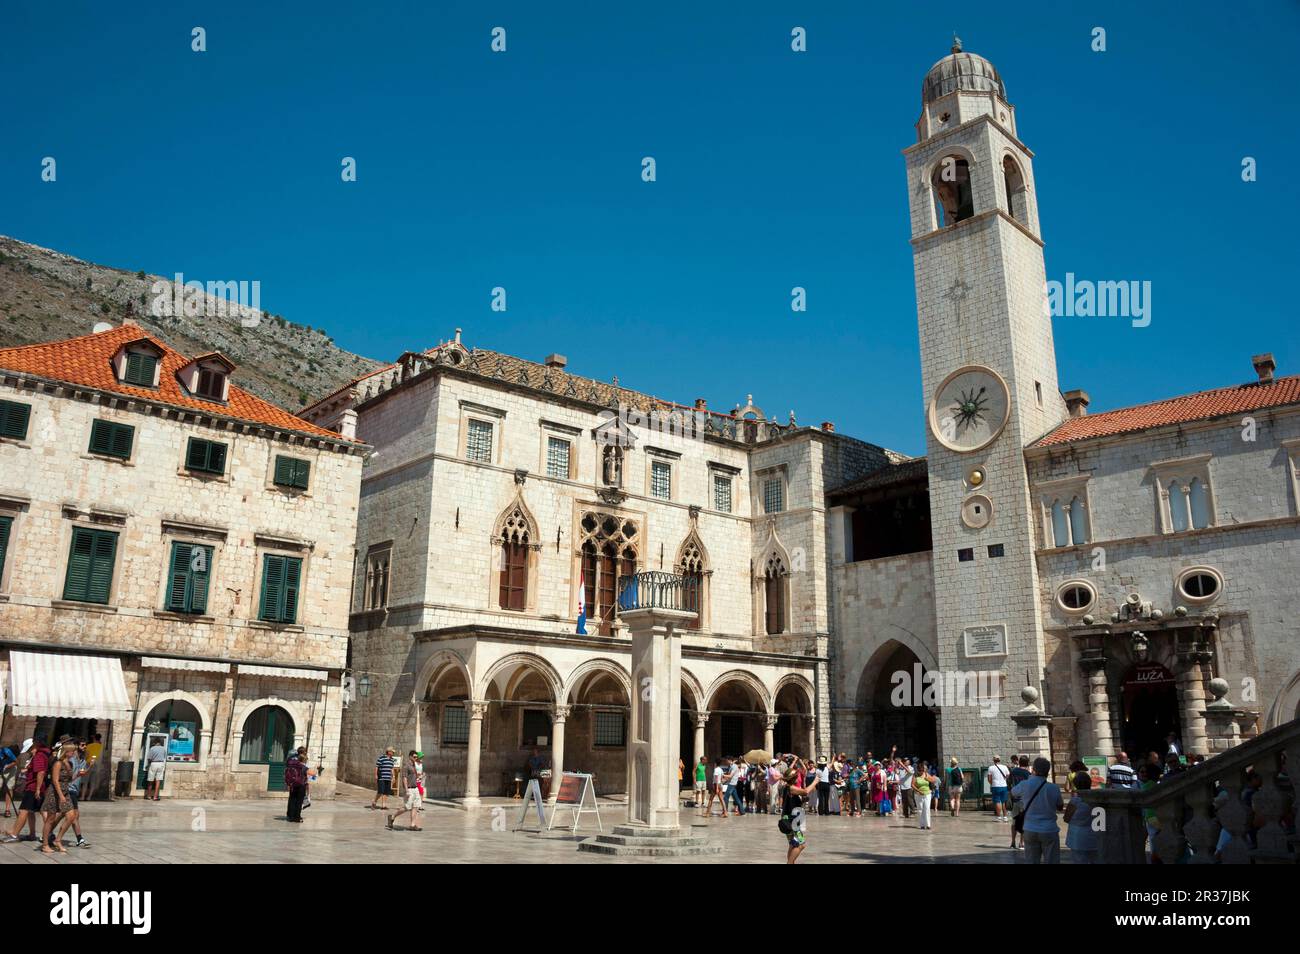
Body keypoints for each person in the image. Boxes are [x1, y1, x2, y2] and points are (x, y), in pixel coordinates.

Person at [1012, 757, 1064, 864]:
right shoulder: (1053, 788)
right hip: (1049, 829)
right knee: (1052, 860)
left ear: (1033, 769)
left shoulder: (1025, 784)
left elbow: (1013, 792)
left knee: (1031, 861)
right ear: (1047, 771)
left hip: (1030, 828)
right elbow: (1060, 806)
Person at [4, 738, 48, 843]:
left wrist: (37, 789)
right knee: (32, 811)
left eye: (29, 749)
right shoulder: (40, 755)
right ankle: (33, 834)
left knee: (23, 810)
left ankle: (14, 835)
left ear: (35, 746)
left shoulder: (38, 756)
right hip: (35, 787)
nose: (29, 752)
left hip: (33, 787)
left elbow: (41, 772)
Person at [54, 740, 90, 849]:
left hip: (75, 789)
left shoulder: (82, 760)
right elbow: (68, 776)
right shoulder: (69, 760)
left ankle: (48, 833)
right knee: (73, 815)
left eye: (85, 745)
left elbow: (80, 774)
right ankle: (79, 839)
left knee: (63, 815)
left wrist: (90, 766)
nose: (84, 747)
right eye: (82, 745)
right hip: (69, 789)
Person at [40, 744, 75, 854]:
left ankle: (58, 840)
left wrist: (85, 771)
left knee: (71, 816)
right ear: (66, 752)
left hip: (65, 791)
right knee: (50, 818)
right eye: (72, 751)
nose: (73, 753)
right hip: (55, 792)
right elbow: (55, 780)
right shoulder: (58, 763)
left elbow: (70, 779)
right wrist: (60, 796)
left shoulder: (69, 764)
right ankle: (45, 844)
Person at [778, 769, 818, 864]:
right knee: (801, 844)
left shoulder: (787, 787)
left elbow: (791, 803)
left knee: (793, 845)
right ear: (792, 779)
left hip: (788, 820)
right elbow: (805, 791)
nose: (798, 778)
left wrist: (802, 801)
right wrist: (815, 781)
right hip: (792, 822)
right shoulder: (791, 788)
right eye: (796, 777)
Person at [1064, 771, 1098, 863]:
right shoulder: (1097, 800)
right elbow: (1102, 823)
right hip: (1095, 837)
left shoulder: (1074, 802)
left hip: (1077, 838)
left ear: (1075, 784)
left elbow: (1066, 819)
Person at [390, 750, 424, 831]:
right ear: (410, 756)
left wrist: (419, 777)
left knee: (416, 806)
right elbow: (404, 778)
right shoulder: (406, 766)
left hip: (415, 788)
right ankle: (392, 816)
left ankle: (412, 825)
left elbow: (413, 776)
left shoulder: (414, 765)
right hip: (409, 789)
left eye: (416, 757)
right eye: (414, 757)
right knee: (407, 807)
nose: (416, 758)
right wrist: (406, 790)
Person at [285, 748, 309, 823]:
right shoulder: (301, 764)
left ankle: (290, 816)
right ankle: (297, 817)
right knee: (299, 801)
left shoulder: (291, 760)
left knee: (292, 799)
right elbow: (311, 774)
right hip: (301, 783)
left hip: (292, 783)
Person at [913, 760, 937, 830]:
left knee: (926, 809)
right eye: (920, 770)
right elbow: (912, 785)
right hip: (918, 794)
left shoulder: (926, 774)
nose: (921, 772)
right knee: (920, 809)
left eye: (922, 770)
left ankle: (928, 824)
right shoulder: (915, 776)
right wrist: (918, 791)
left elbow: (933, 780)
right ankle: (922, 825)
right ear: (918, 770)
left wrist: (928, 779)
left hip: (927, 794)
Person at [987, 756, 1011, 822]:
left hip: (995, 786)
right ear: (999, 760)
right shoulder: (1004, 767)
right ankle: (1005, 817)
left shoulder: (991, 768)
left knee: (997, 801)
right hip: (1004, 786)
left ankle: (999, 817)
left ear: (993, 760)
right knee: (1003, 801)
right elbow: (1008, 775)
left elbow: (989, 779)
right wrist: (1004, 779)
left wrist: (992, 783)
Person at [0, 741, 19, 817]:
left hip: (11, 768)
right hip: (1, 769)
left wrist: (6, 766)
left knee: (9, 787)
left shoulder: (7, 751)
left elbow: (16, 761)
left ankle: (7, 810)